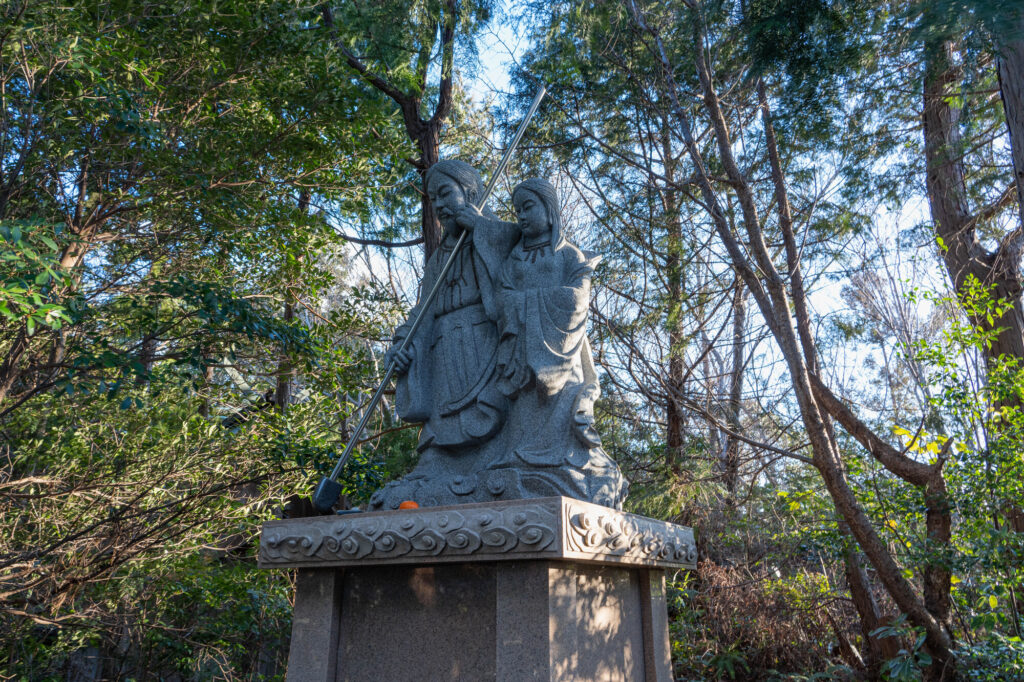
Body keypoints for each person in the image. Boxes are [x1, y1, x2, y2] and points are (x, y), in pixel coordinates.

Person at [369, 160, 518, 509]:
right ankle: (435, 469)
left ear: (470, 192)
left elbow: (518, 265)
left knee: (488, 414)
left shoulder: (496, 235)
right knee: (441, 426)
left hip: (484, 345)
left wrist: (481, 229)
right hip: (444, 354)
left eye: (445, 194)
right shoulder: (438, 260)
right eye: (433, 199)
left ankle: (492, 469)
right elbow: (422, 311)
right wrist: (402, 344)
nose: (439, 206)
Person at [486, 177, 627, 509]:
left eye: (529, 207)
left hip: (563, 352)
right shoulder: (515, 260)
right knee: (523, 411)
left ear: (550, 209)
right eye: (517, 209)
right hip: (523, 354)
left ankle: (567, 465)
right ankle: (519, 461)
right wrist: (520, 306)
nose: (521, 215)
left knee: (563, 406)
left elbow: (578, 297)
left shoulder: (567, 255)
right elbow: (501, 297)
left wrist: (529, 303)